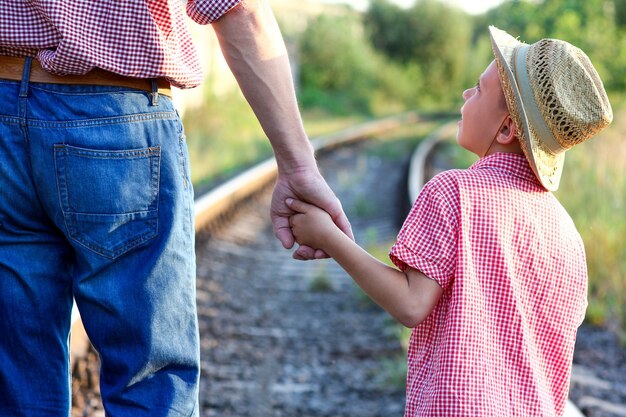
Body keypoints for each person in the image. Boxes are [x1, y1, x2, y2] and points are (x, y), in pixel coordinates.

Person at [0, 1, 352, 416]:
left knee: (18, 376)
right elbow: (238, 11)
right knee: (150, 382)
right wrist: (297, 165)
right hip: (115, 117)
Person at [288, 26, 612, 417]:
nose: (465, 94)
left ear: (507, 128)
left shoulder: (453, 192)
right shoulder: (568, 235)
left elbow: (411, 304)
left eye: (477, 89)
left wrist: (328, 236)